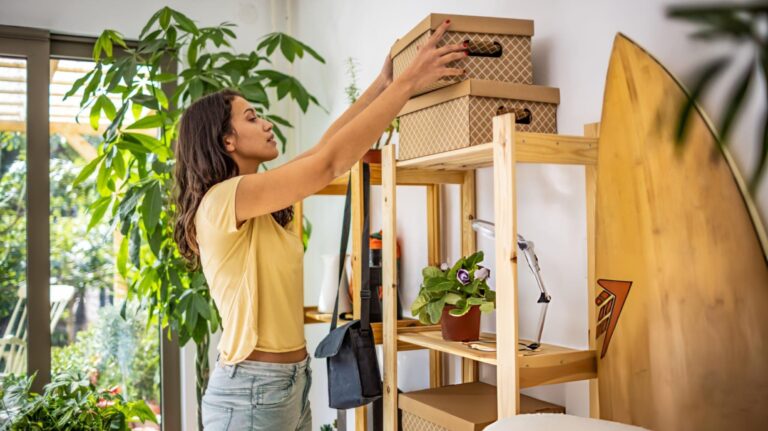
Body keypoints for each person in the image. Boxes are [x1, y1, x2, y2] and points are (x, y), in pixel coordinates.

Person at [173, 20, 465, 431]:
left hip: (285, 385)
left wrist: (382, 87)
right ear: (227, 142)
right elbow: (329, 163)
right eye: (253, 118)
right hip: (252, 392)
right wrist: (409, 84)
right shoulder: (225, 198)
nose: (267, 124)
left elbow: (322, 149)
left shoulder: (253, 198)